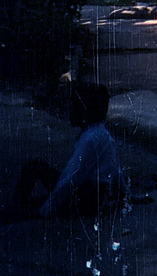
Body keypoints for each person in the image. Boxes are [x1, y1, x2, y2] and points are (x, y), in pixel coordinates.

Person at [7, 82, 126, 221]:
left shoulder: (91, 139)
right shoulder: (101, 134)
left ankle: (16, 207)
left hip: (86, 198)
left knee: (33, 166)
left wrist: (46, 210)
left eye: (73, 108)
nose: (69, 112)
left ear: (84, 111)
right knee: (39, 170)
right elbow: (115, 170)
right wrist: (126, 196)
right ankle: (21, 206)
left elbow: (71, 178)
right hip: (93, 196)